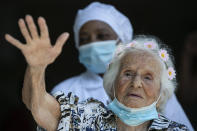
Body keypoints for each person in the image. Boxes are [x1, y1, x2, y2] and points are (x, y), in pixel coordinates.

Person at [5, 17, 189, 130]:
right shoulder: (87, 119)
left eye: (148, 77)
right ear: (112, 83)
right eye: (127, 73)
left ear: (161, 92)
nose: (136, 83)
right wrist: (37, 68)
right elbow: (40, 108)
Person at [51, 2, 194, 130]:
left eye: (102, 36)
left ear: (121, 39)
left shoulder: (156, 90)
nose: (92, 44)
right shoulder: (64, 90)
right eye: (84, 39)